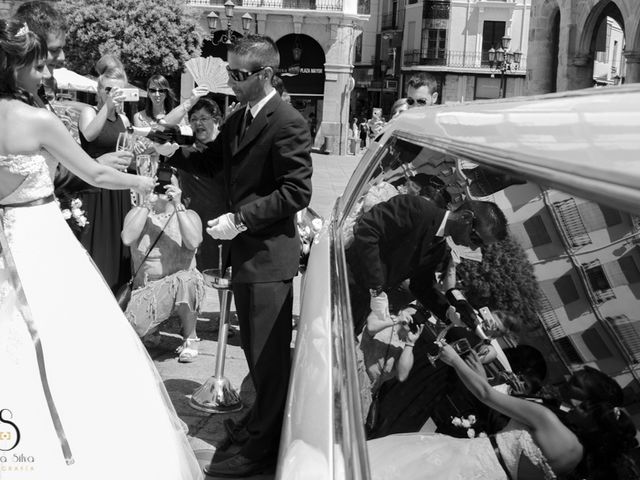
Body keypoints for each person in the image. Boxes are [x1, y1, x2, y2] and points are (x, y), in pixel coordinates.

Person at [0, 20, 203, 479]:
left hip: (6, 234)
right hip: (38, 234)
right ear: (12, 67)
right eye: (36, 65)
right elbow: (96, 174)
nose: (45, 73)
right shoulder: (36, 118)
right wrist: (145, 179)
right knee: (70, 332)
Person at [166, 34, 313, 477]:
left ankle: (263, 448)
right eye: (229, 70)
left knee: (269, 359)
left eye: (238, 74)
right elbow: (213, 162)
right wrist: (172, 145)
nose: (229, 79)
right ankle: (257, 426)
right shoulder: (239, 115)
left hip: (268, 255)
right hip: (245, 252)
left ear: (265, 75)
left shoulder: (287, 120)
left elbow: (296, 191)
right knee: (253, 350)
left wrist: (243, 219)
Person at [368, 339, 639, 480]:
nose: (578, 405)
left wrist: (453, 360)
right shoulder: (574, 461)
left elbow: (485, 395)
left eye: (586, 405)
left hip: (466, 460)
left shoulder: (549, 419)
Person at [346, 195, 508, 334]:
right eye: (476, 239)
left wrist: (449, 312)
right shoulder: (418, 209)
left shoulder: (439, 250)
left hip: (358, 307)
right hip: (342, 279)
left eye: (480, 246)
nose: (473, 247)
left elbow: (421, 286)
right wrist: (376, 287)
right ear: (465, 217)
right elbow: (367, 230)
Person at [122, 173, 205, 363]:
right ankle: (152, 330)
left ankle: (190, 337)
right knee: (141, 339)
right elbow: (127, 238)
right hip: (148, 293)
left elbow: (193, 242)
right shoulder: (138, 213)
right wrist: (146, 204)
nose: (163, 189)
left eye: (169, 184)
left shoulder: (189, 215)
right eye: (158, 184)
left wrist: (177, 206)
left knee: (188, 279)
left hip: (183, 291)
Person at [77, 66, 134, 292]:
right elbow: (89, 134)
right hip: (95, 187)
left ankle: (119, 295)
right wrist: (108, 106)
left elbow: (128, 150)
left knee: (120, 243)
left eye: (118, 91)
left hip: (118, 188)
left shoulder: (124, 118)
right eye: (109, 90)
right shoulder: (89, 111)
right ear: (99, 91)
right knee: (97, 245)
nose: (114, 95)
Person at [178, 97, 226, 271]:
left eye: (204, 118)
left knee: (224, 279)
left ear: (217, 121)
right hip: (192, 223)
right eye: (194, 119)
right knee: (193, 278)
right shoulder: (186, 149)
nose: (198, 123)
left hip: (222, 224)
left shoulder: (227, 149)